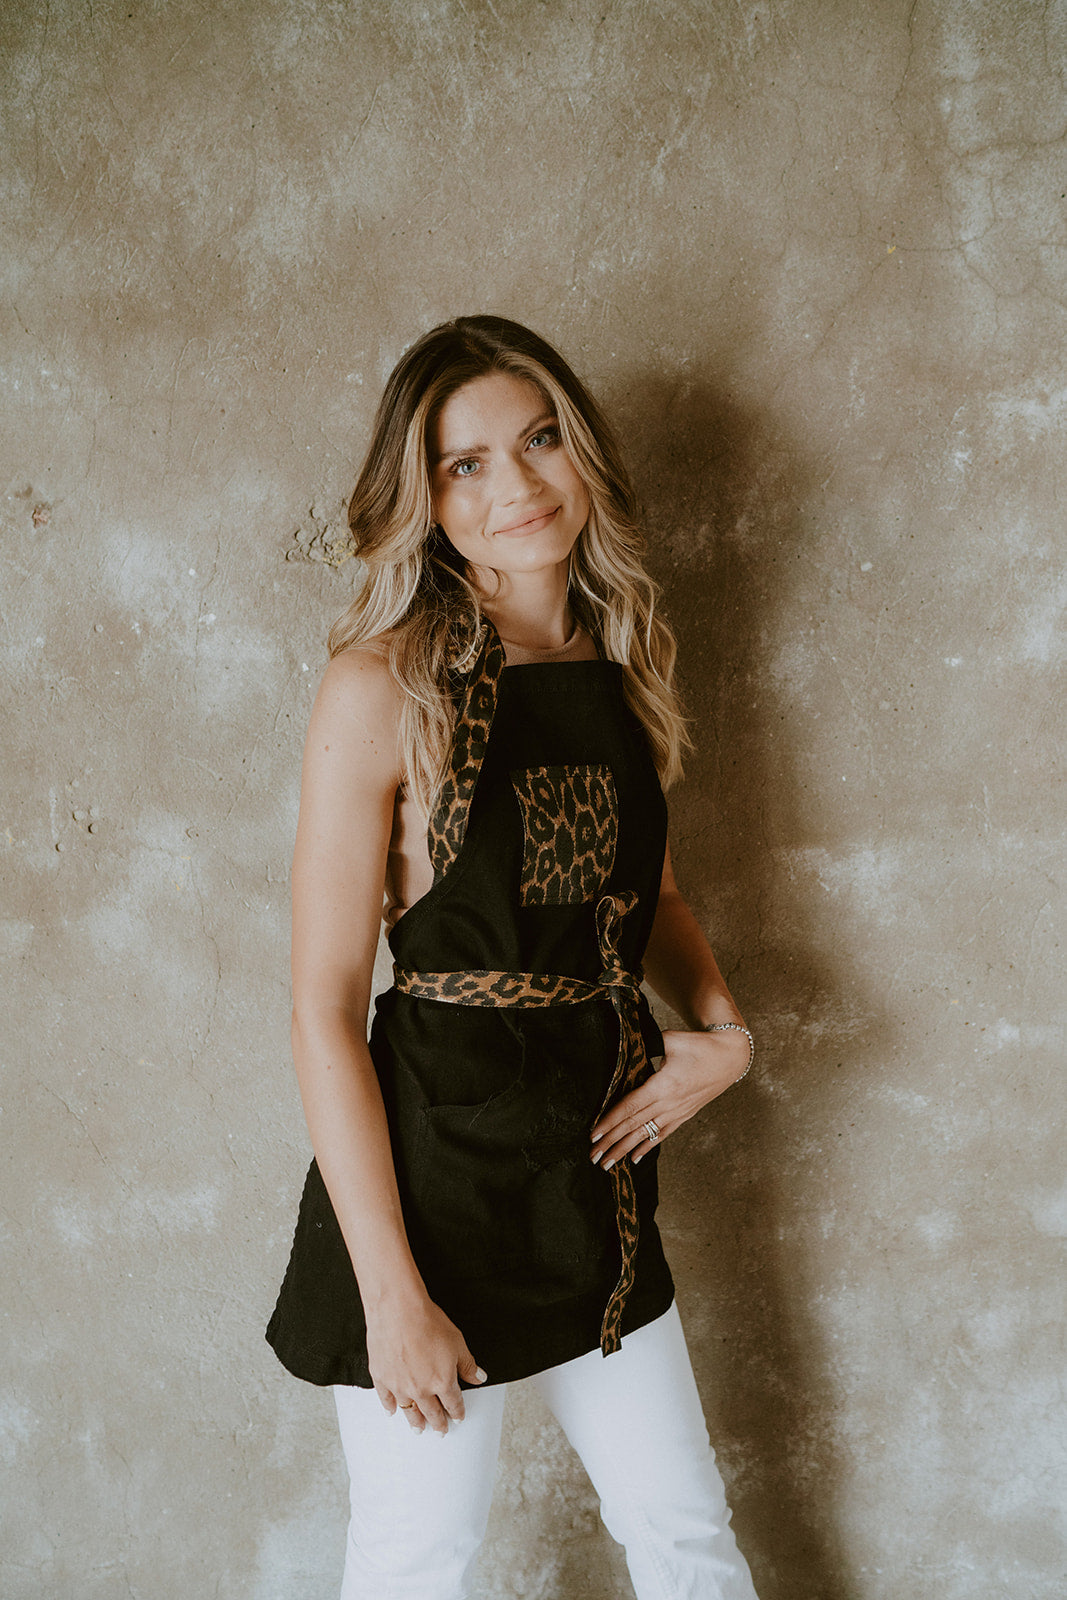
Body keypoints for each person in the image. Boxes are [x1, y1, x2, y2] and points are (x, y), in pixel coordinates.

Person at [266, 315, 760, 1600]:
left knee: (684, 1531)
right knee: (418, 1560)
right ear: (424, 499)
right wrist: (390, 1295)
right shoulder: (380, 686)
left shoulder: (619, 658)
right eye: (465, 462)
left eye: (539, 438)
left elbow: (649, 895)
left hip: (592, 1183)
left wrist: (720, 1033)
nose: (517, 483)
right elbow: (322, 1012)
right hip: (431, 1192)